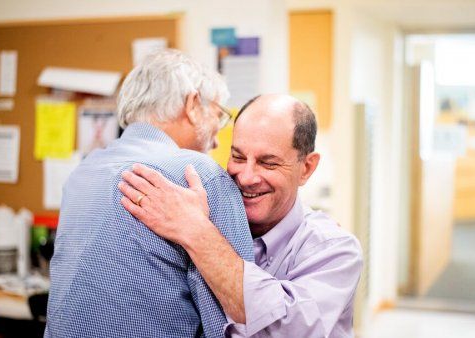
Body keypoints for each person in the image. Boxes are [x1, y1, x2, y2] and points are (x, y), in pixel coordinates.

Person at [44, 49, 254, 338]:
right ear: (193, 105)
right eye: (218, 117)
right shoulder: (201, 176)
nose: (217, 139)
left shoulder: (83, 173)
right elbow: (240, 322)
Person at [119, 94, 364, 337]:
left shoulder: (335, 250)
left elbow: (290, 330)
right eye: (237, 157)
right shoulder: (201, 214)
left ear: (307, 168)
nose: (246, 177)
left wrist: (197, 235)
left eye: (268, 163)